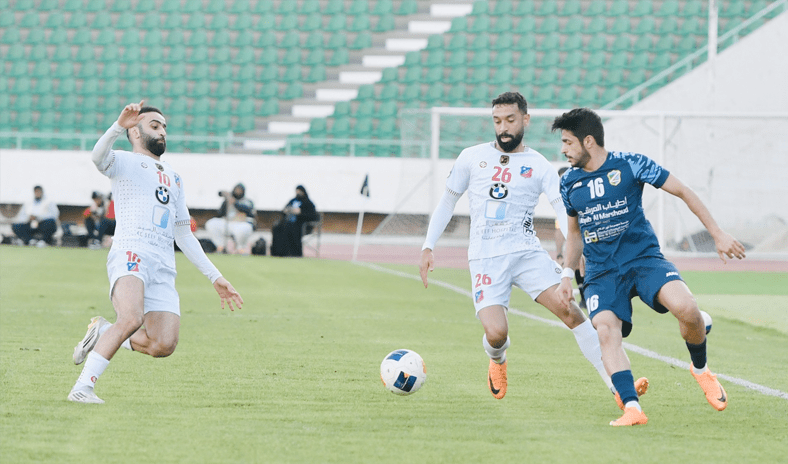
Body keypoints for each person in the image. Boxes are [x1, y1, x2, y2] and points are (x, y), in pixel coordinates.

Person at [419, 92, 647, 406]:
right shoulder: (471, 157)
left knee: (571, 312)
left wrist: (576, 252)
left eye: (510, 120)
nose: (503, 128)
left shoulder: (538, 165)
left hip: (527, 253)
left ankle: (618, 386)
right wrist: (428, 246)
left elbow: (563, 210)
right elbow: (448, 201)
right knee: (496, 334)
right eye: (497, 121)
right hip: (485, 258)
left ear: (525, 119)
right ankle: (497, 358)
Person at [552, 108, 746, 426]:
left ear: (588, 141)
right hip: (602, 273)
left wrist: (717, 233)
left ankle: (701, 370)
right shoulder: (569, 183)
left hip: (643, 259)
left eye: (567, 142)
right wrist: (565, 274)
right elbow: (574, 234)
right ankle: (632, 408)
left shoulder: (631, 164)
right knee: (606, 331)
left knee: (687, 309)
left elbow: (682, 190)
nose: (563, 150)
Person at [68, 100, 244, 404]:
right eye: (154, 125)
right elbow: (97, 157)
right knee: (131, 318)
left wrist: (216, 277)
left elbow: (183, 233)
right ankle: (82, 388)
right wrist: (117, 127)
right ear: (135, 132)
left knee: (163, 344)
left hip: (163, 264)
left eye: (164, 126)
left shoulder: (174, 177)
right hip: (131, 251)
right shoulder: (123, 161)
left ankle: (103, 331)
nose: (162, 131)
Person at [204, 183, 256, 254]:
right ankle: (220, 246)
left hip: (241, 223)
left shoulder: (247, 201)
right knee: (211, 223)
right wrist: (227, 200)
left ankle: (240, 248)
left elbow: (247, 210)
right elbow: (220, 213)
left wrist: (235, 203)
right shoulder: (228, 200)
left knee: (243, 229)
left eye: (239, 190)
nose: (237, 192)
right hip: (228, 223)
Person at [270, 185, 318, 257]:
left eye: (299, 191)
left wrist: (300, 213)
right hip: (288, 222)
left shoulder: (308, 203)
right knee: (277, 227)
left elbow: (312, 216)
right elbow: (284, 210)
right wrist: (286, 211)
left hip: (300, 223)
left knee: (290, 228)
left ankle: (292, 253)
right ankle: (278, 252)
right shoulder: (292, 200)